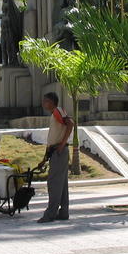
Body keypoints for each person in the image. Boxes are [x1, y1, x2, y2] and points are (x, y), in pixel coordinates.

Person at [37, 92, 75, 223]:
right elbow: (53, 139)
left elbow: (70, 123)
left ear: (52, 102)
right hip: (56, 152)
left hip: (59, 151)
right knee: (62, 185)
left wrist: (62, 144)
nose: (43, 103)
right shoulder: (54, 115)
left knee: (54, 184)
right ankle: (63, 212)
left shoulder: (58, 111)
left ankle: (50, 214)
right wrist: (44, 159)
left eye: (45, 101)